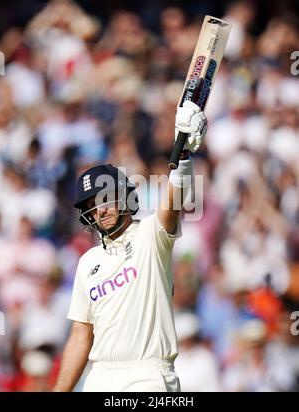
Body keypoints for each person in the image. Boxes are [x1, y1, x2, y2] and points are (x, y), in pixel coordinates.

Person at [53, 101, 208, 392]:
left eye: (105, 200)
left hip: (148, 375)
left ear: (125, 198)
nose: (100, 211)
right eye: (91, 207)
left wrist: (184, 155)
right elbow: (79, 336)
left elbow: (173, 202)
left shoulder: (150, 235)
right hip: (99, 377)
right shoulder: (88, 262)